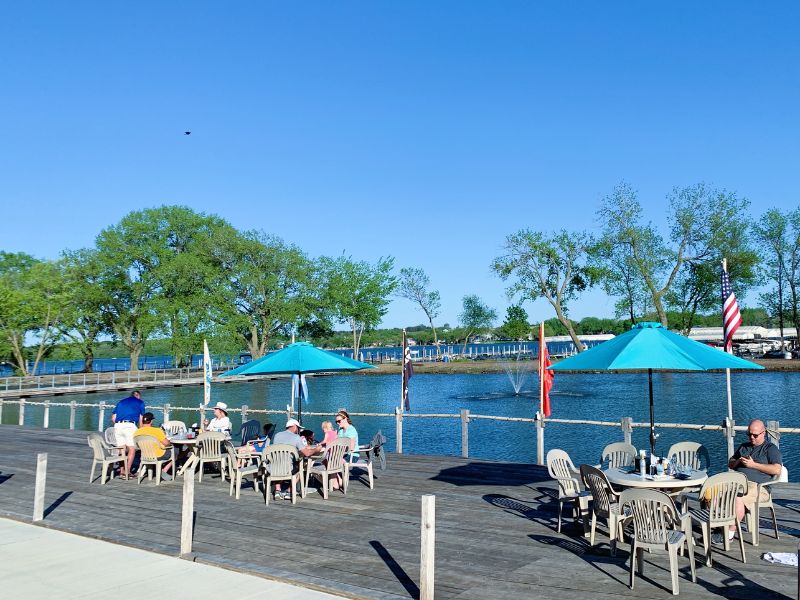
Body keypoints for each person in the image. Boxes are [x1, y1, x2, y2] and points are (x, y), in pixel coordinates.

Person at [718, 419, 783, 544]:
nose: (751, 437)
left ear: (764, 433)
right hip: (737, 482)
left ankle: (729, 533)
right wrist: (738, 462)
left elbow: (777, 469)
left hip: (759, 487)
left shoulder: (770, 449)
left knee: (738, 497)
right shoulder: (744, 446)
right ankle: (717, 526)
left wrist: (753, 465)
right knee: (713, 492)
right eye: (749, 434)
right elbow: (730, 464)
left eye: (755, 435)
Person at [271, 418, 321, 499]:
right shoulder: (296, 437)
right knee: (301, 467)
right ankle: (289, 491)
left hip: (274, 467)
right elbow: (307, 453)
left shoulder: (277, 435)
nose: (299, 430)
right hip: (288, 468)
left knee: (281, 465)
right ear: (294, 426)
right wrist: (316, 449)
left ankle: (277, 490)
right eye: (298, 428)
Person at [111, 390, 145, 480]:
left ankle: (122, 471)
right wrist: (141, 431)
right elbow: (141, 419)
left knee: (121, 449)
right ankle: (127, 471)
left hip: (118, 426)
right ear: (138, 396)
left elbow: (113, 418)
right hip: (130, 425)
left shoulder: (121, 402)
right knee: (132, 449)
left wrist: (119, 424)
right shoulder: (140, 402)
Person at [133, 412, 174, 480]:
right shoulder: (156, 431)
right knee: (175, 451)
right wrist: (170, 443)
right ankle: (164, 470)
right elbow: (166, 443)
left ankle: (154, 470)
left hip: (144, 455)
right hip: (159, 455)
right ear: (151, 421)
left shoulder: (137, 432)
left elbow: (137, 446)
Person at [331, 410, 359, 490]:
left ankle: (337, 482)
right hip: (342, 454)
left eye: (339, 421)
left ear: (345, 419)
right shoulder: (340, 431)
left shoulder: (351, 430)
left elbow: (351, 447)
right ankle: (339, 481)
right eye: (336, 422)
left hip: (352, 455)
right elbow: (336, 443)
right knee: (328, 460)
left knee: (333, 461)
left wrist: (339, 450)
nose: (337, 423)